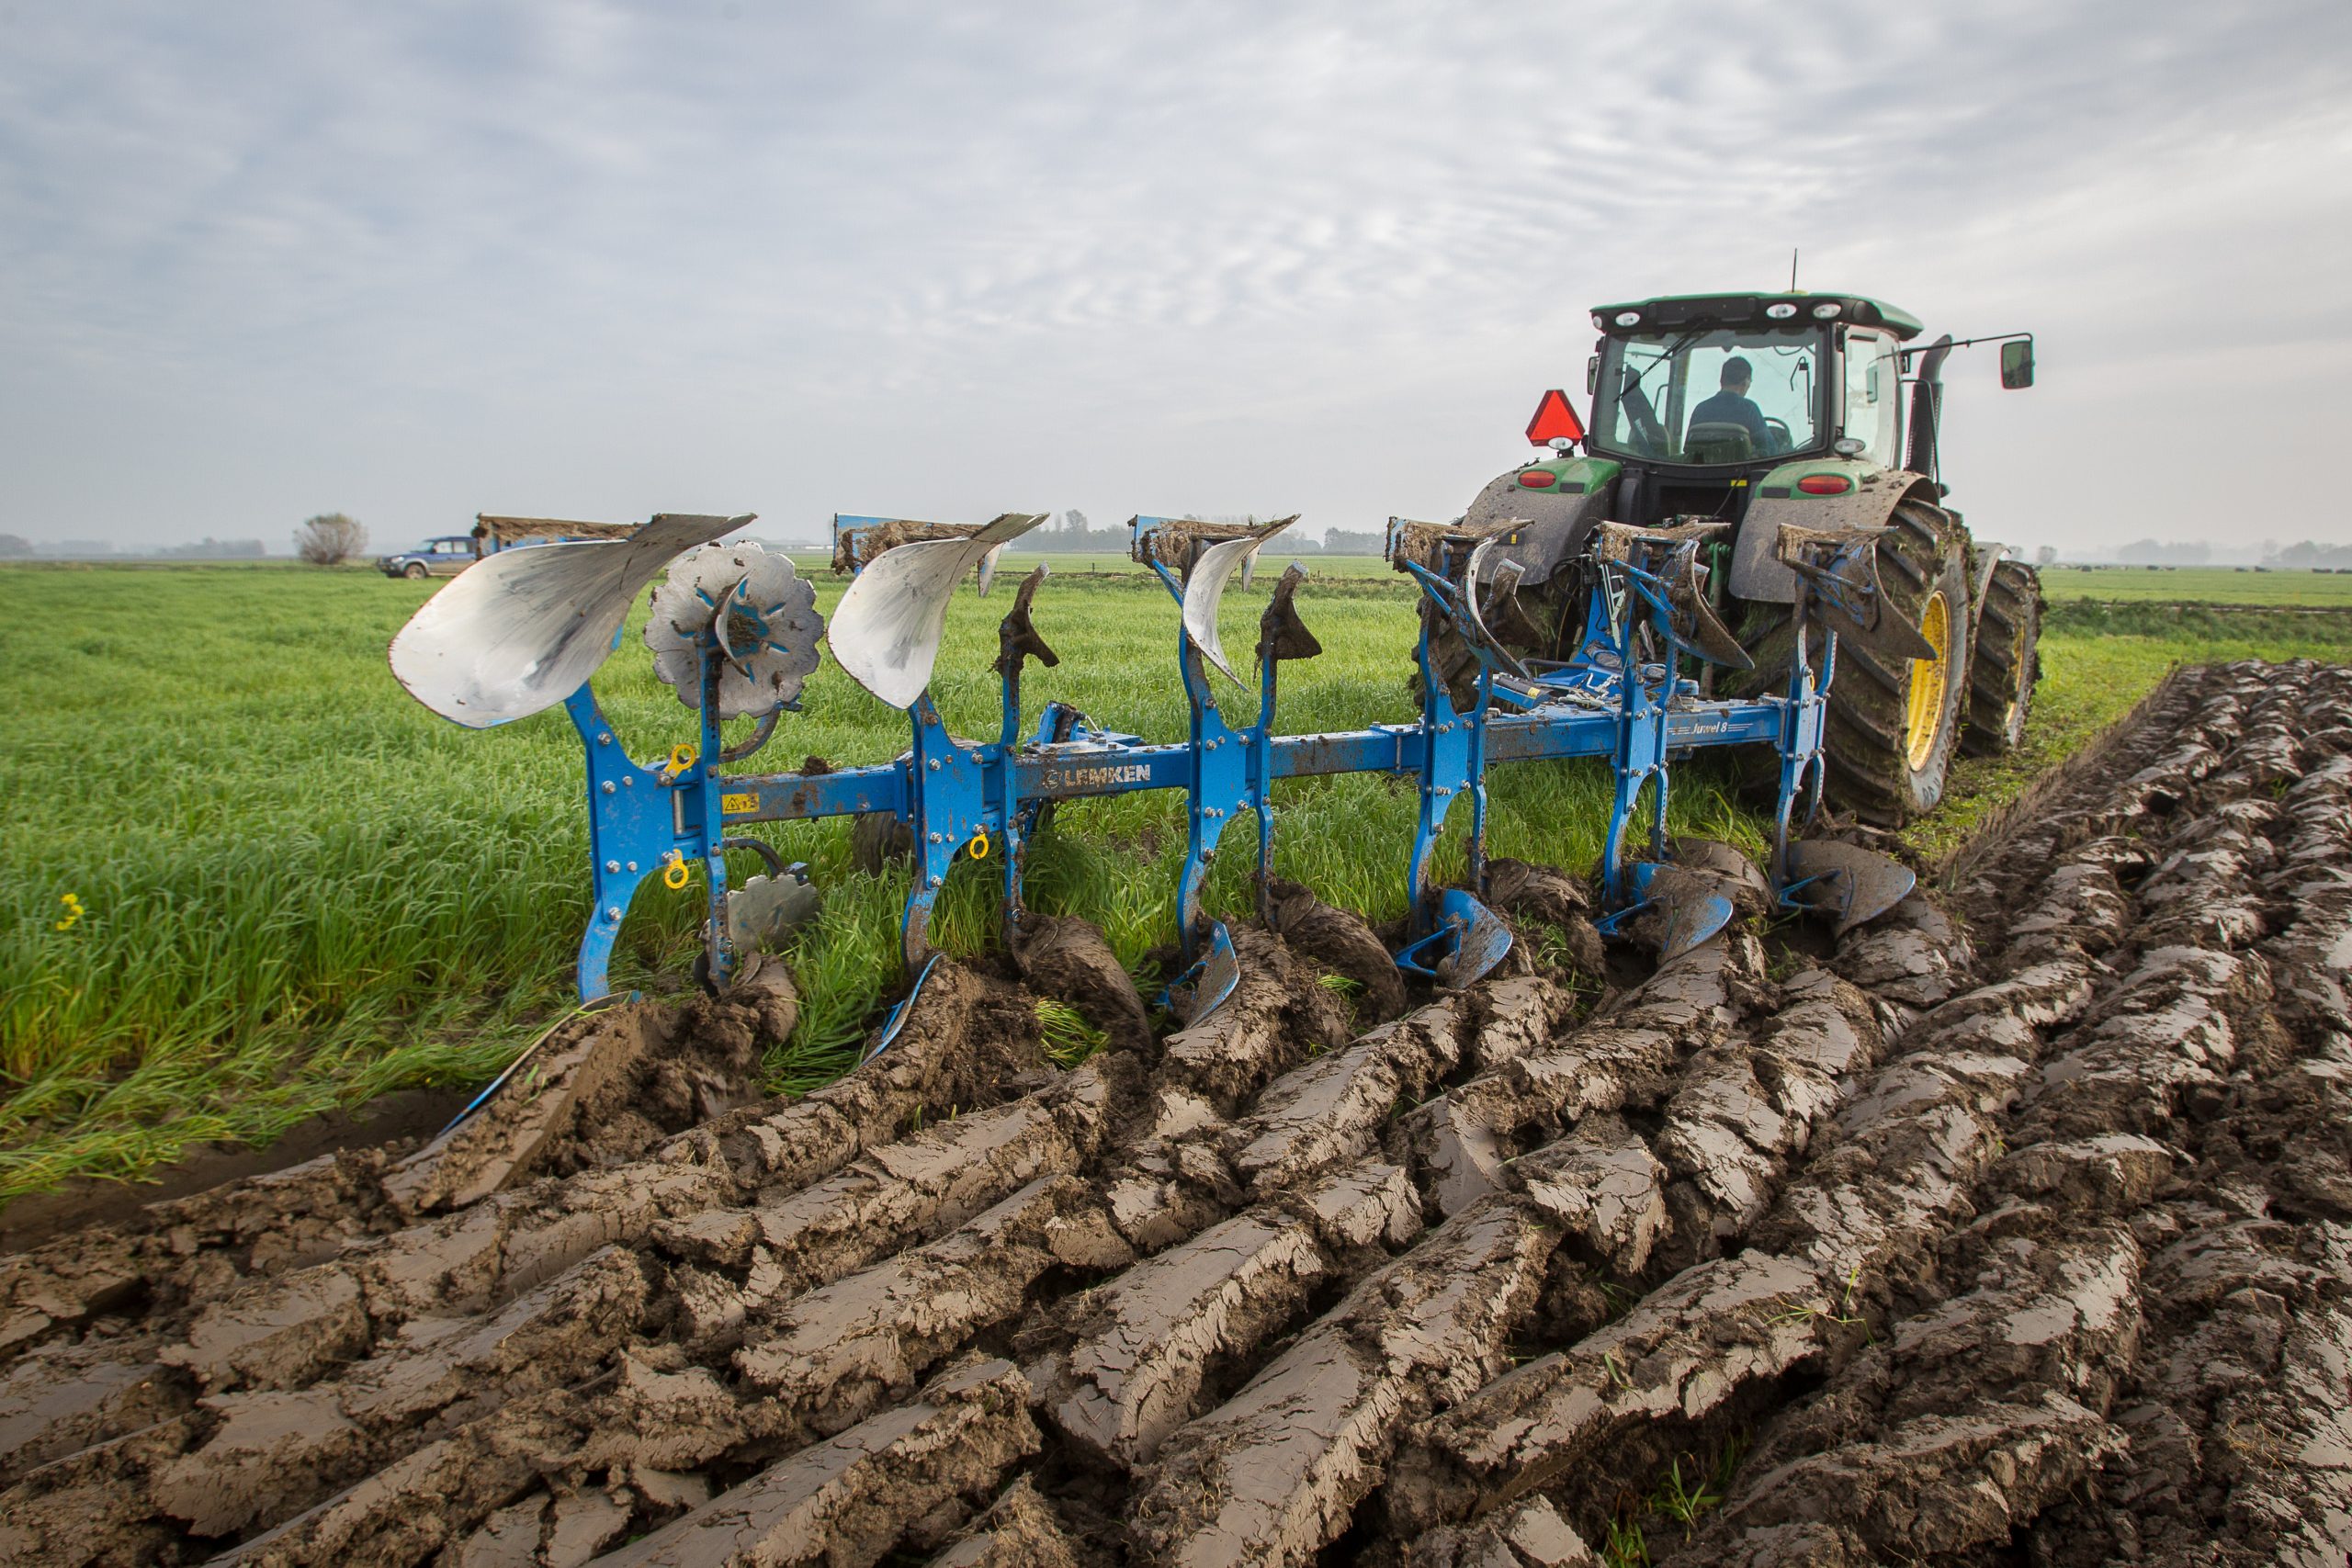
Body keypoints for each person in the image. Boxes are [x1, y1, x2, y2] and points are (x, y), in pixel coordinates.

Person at [1688, 355, 1770, 451]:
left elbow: (1688, 450)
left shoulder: (1700, 409)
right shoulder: (1750, 409)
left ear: (1721, 380)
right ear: (1746, 381)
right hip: (1742, 466)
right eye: (1750, 381)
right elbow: (1769, 450)